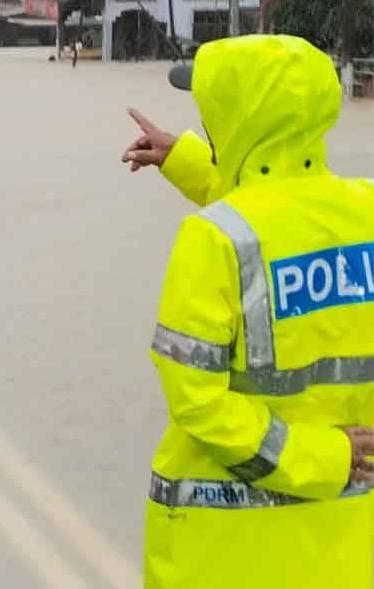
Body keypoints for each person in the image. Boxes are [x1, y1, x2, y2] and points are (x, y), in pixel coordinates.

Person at [125, 34, 374, 588]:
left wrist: (321, 457)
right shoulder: (367, 212)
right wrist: (187, 160)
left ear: (239, 120)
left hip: (230, 554)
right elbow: (280, 215)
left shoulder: (213, 239)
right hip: (348, 547)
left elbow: (197, 401)